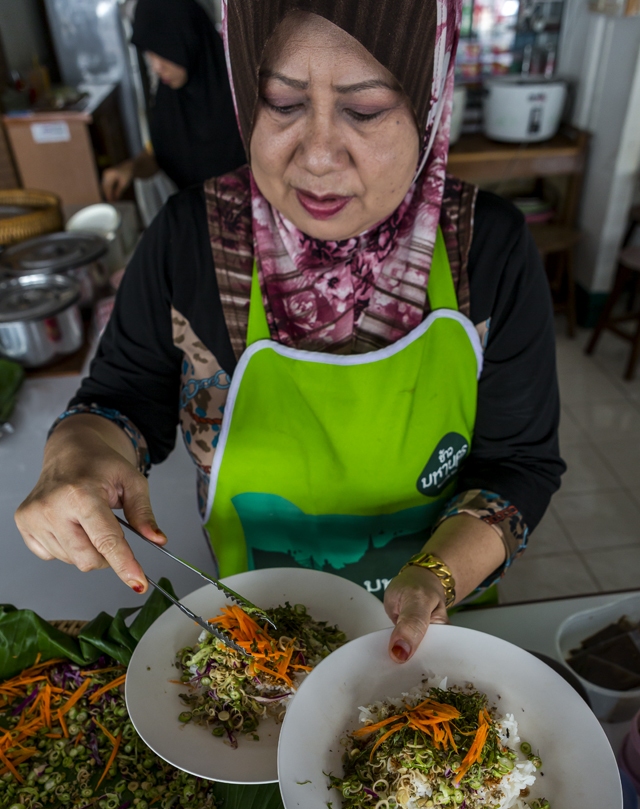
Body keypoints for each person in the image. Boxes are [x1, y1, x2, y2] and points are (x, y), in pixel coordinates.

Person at [16, 0, 564, 665]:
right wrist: (74, 456)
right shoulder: (190, 239)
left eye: (364, 110)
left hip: (437, 636)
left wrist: (434, 578)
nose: (319, 154)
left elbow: (520, 466)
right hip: (260, 639)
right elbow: (121, 400)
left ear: (428, 99)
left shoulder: (488, 250)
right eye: (281, 103)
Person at [102, 0, 245, 201]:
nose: (155, 67)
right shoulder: (170, 97)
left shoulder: (242, 91)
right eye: (148, 54)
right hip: (196, 218)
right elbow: (161, 154)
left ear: (187, 38)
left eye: (161, 52)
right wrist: (131, 168)